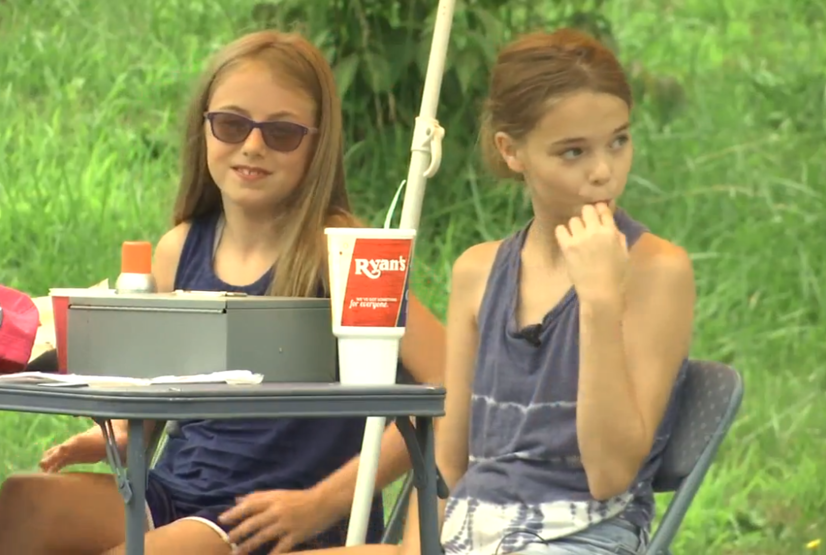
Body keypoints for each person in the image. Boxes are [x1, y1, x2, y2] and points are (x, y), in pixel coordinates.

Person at [0, 30, 446, 555]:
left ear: (318, 144)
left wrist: (324, 501)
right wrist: (128, 433)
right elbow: (164, 379)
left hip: (266, 514)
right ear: (203, 128)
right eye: (231, 124)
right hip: (177, 490)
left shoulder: (339, 250)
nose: (253, 146)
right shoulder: (180, 248)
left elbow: (453, 384)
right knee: (25, 502)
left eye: (282, 132)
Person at [294, 27, 695, 555]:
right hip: (471, 531)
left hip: (582, 535)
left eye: (618, 141)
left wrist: (599, 303)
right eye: (573, 152)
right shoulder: (479, 272)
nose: (604, 172)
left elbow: (609, 475)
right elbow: (449, 459)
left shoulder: (656, 271)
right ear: (512, 151)